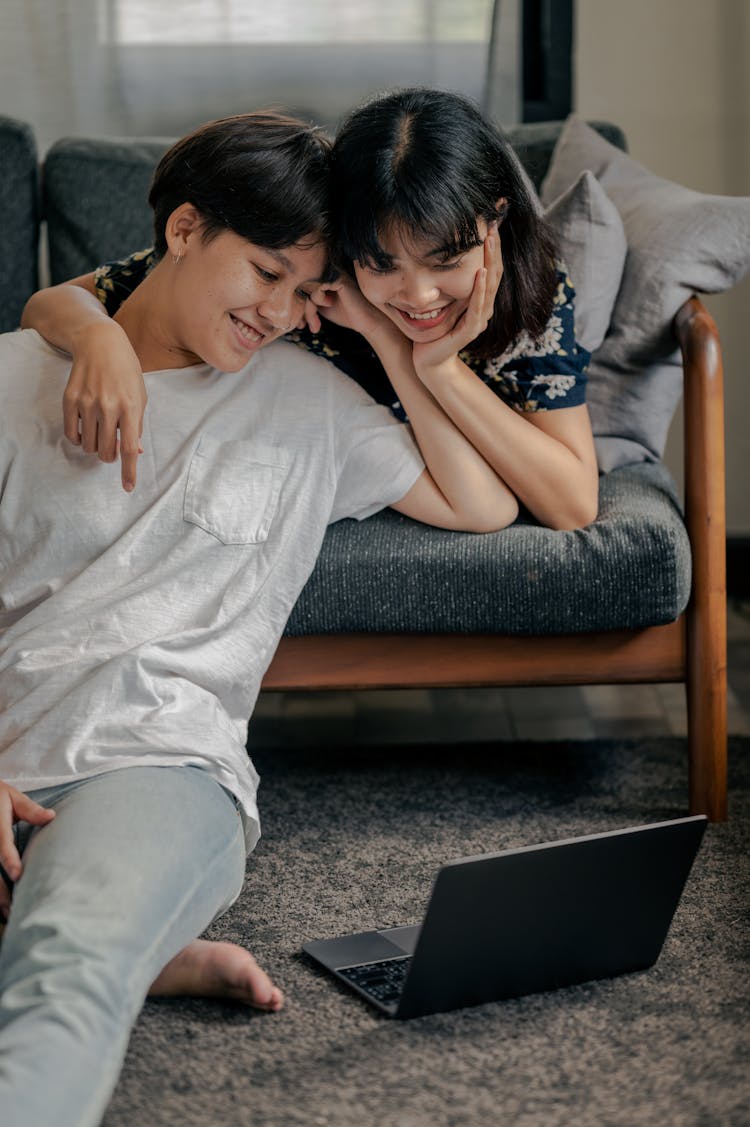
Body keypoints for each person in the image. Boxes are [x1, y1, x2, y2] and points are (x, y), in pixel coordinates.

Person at [0, 110, 517, 1127]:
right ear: (184, 230)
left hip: (148, 760)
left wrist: (396, 341)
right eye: (265, 273)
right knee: (71, 936)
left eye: (305, 289)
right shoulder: (18, 374)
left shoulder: (305, 402)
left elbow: (481, 505)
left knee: (67, 971)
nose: (280, 311)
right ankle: (136, 939)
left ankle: (101, 933)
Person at [22, 88, 599, 531]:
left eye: (446, 261)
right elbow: (54, 302)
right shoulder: (311, 280)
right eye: (384, 264)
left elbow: (572, 504)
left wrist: (435, 366)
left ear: (495, 219)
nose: (420, 297)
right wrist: (98, 338)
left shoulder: (531, 293)